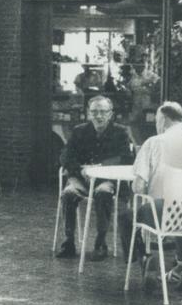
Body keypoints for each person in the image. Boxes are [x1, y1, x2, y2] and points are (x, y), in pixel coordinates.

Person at [120, 101, 182, 289]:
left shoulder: (154, 142)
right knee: (181, 207)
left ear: (162, 120)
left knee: (126, 217)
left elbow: (138, 187)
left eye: (156, 120)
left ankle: (144, 259)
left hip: (168, 215)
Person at [56, 95, 133, 259]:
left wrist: (100, 168)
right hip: (82, 178)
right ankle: (68, 242)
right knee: (68, 194)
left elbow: (126, 157)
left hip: (107, 179)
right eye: (94, 112)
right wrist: (80, 169)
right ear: (88, 113)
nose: (99, 116)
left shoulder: (120, 132)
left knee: (104, 193)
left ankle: (100, 243)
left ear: (111, 114)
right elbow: (65, 156)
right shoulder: (79, 131)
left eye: (103, 112)